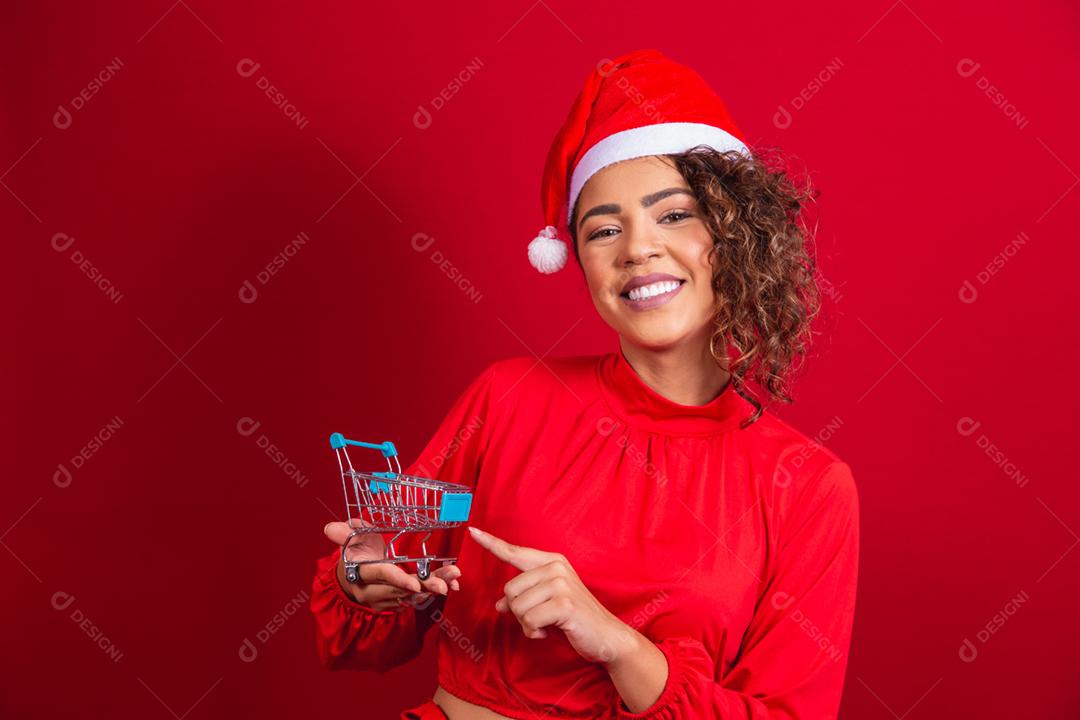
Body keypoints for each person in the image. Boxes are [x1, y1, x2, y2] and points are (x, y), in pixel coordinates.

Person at [309, 48, 860, 719]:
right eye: (604, 229)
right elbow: (385, 586)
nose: (637, 248)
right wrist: (365, 574)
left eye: (674, 214)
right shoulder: (508, 401)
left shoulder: (806, 488)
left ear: (736, 231)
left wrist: (619, 647)